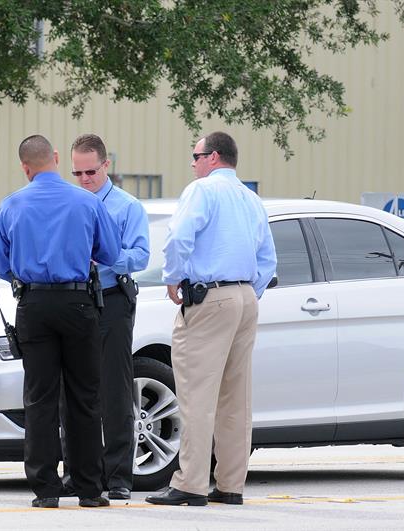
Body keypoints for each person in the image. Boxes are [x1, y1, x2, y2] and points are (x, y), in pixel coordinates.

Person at [145, 131, 276, 507]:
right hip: (246, 297)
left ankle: (190, 483)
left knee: (196, 396)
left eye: (196, 155)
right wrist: (248, 293)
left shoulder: (202, 191)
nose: (192, 163)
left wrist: (173, 278)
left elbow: (179, 237)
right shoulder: (251, 199)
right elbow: (268, 260)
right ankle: (231, 484)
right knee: (236, 398)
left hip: (209, 296)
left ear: (213, 157)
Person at [0, 134, 120, 509]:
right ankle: (89, 488)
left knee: (39, 397)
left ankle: (46, 489)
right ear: (57, 159)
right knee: (84, 396)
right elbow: (111, 252)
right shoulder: (87, 201)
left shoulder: (10, 205)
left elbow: (2, 266)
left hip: (32, 304)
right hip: (79, 303)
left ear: (25, 167)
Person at [60, 134, 149, 500]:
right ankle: (78, 473)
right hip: (75, 301)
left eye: (90, 171)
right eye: (77, 172)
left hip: (111, 299)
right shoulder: (67, 204)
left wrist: (106, 256)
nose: (84, 179)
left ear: (106, 165)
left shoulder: (127, 207)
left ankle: (118, 476)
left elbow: (140, 255)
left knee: (114, 389)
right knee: (73, 392)